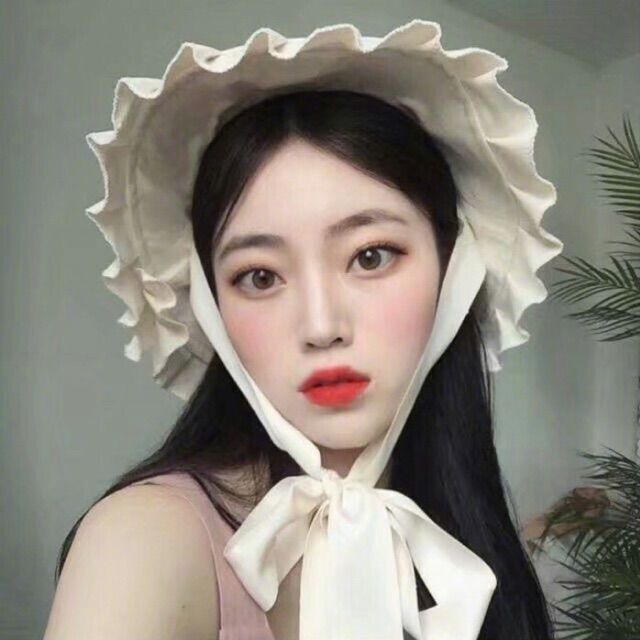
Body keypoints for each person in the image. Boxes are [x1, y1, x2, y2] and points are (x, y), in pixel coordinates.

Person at [43, 20, 563, 640]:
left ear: (453, 274)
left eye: (370, 256)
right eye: (260, 276)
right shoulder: (143, 541)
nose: (321, 327)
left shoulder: (463, 547)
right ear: (211, 305)